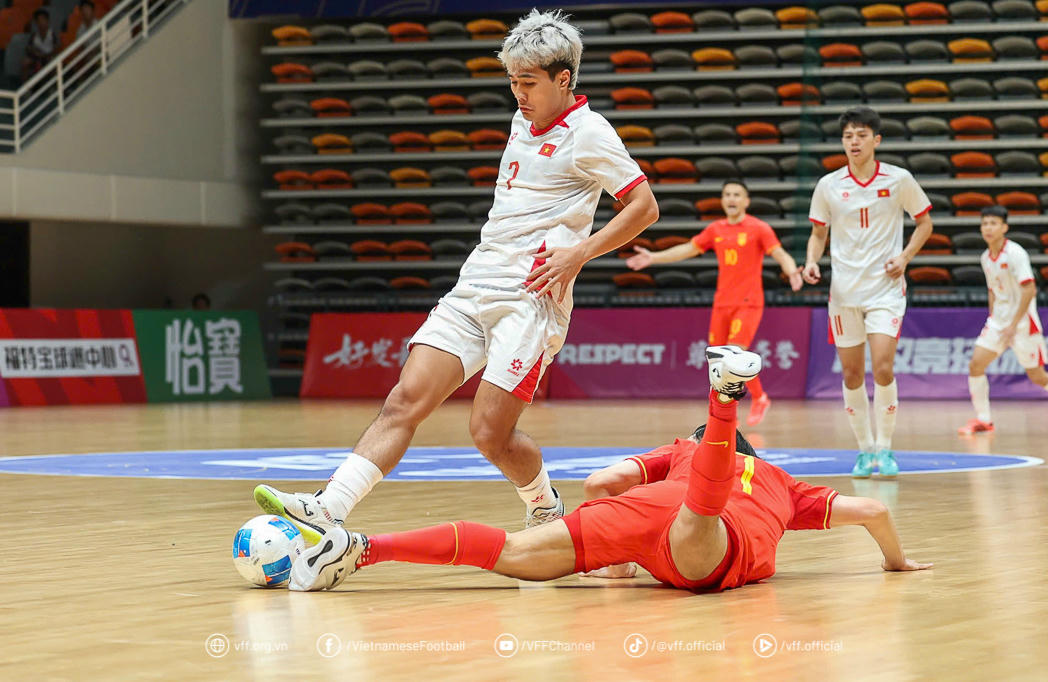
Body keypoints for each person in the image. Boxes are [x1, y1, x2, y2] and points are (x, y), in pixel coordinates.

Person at [254, 10, 658, 541]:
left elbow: (644, 207)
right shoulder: (523, 118)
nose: (518, 93)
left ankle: (544, 506)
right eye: (513, 80)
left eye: (529, 82)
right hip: (474, 285)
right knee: (404, 400)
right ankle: (329, 508)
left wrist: (578, 253)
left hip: (529, 298)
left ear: (564, 79)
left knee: (489, 434)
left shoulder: (590, 133)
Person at [288, 345, 932, 592]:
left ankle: (359, 549)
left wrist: (618, 553)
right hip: (703, 543)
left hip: (636, 520)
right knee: (701, 514)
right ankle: (725, 396)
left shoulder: (677, 450)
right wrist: (895, 563)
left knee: (508, 551)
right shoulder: (785, 487)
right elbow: (873, 511)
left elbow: (599, 484)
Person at [803, 106, 933, 478]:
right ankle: (864, 451)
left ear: (876, 140)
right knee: (851, 374)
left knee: (884, 366)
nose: (854, 141)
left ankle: (886, 449)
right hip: (843, 294)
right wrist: (812, 261)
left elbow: (924, 222)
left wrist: (905, 257)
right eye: (848, 136)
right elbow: (818, 233)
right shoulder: (829, 184)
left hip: (886, 290)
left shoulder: (899, 179)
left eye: (861, 135)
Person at [626, 180, 803, 426]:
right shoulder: (715, 229)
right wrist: (653, 258)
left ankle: (755, 399)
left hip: (748, 302)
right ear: (722, 200)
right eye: (727, 194)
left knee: (734, 352)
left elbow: (781, 254)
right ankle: (734, 410)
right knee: (718, 361)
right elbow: (688, 249)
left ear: (746, 201)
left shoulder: (759, 228)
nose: (731, 199)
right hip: (722, 303)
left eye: (737, 195)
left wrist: (792, 270)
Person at [959, 206, 1048, 435]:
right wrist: (993, 318)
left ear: (1004, 227)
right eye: (985, 223)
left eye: (993, 223)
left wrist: (1012, 324)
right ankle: (984, 419)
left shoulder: (1015, 253)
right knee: (976, 365)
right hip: (998, 323)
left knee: (1038, 377)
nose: (988, 227)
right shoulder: (985, 258)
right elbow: (992, 289)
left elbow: (1029, 289)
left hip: (1022, 324)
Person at [22, 10, 57, 83]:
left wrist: (47, 55)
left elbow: (56, 48)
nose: (41, 22)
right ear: (36, 22)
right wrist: (36, 53)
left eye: (43, 19)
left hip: (49, 56)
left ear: (47, 21)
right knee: (25, 62)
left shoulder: (52, 34)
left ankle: (54, 86)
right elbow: (28, 48)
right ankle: (25, 87)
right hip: (37, 57)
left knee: (54, 62)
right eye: (39, 20)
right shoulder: (34, 35)